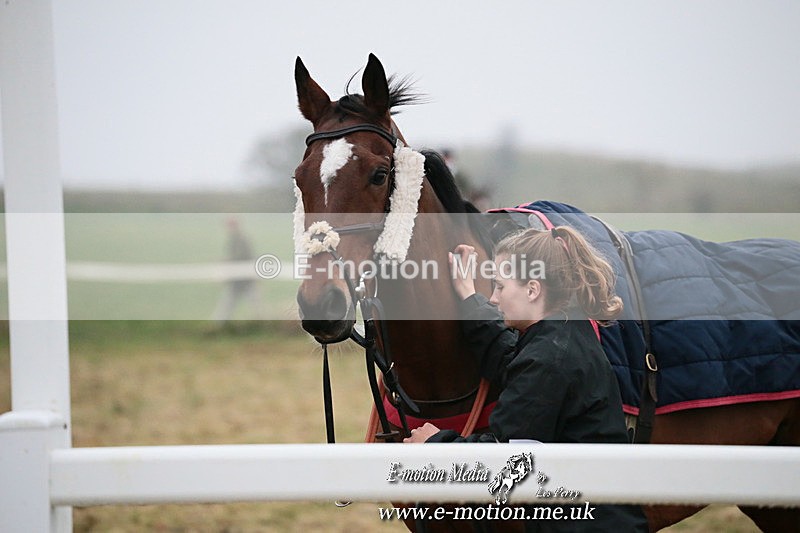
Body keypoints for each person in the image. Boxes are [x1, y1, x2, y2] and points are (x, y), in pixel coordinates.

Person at [404, 226, 648, 532]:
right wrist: (468, 296)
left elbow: (509, 460)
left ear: (532, 290)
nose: (492, 298)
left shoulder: (550, 359)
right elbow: (510, 357)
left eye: (500, 287)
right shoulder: (563, 332)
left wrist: (434, 443)